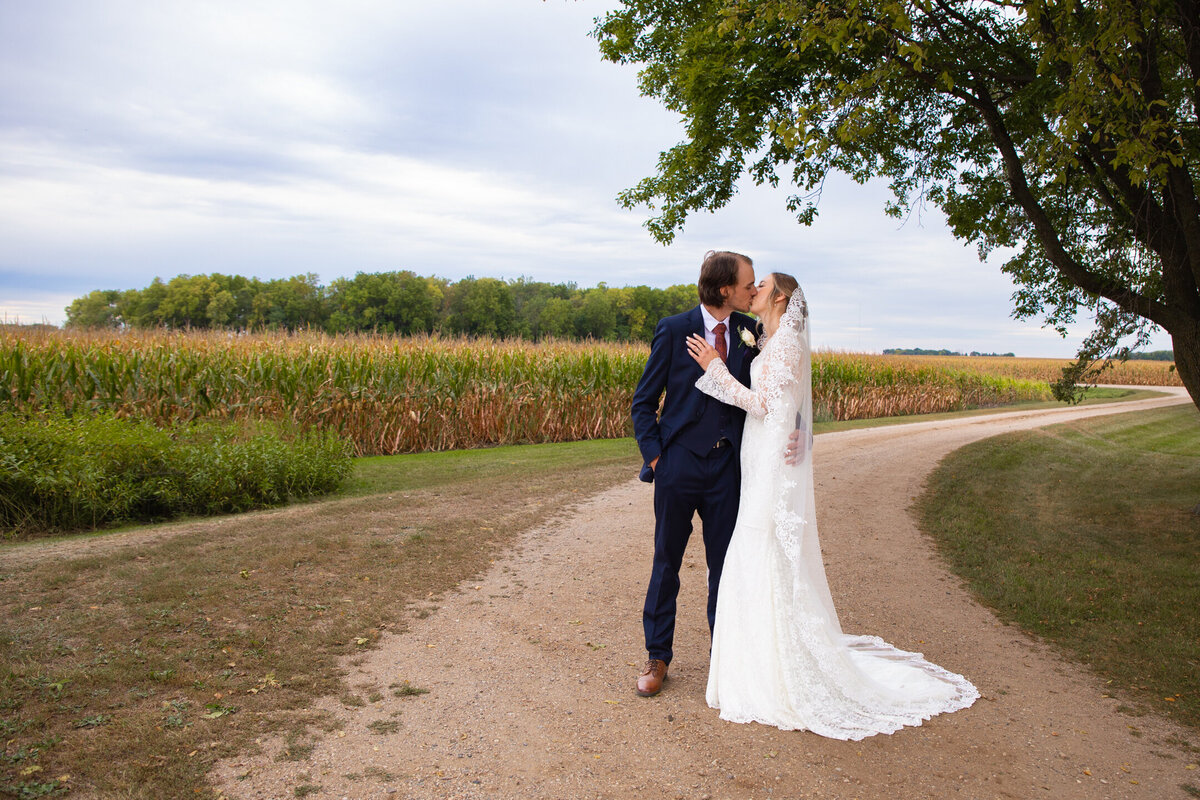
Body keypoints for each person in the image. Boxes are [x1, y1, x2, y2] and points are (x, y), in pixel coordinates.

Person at [685, 272, 979, 738]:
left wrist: (715, 369)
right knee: (754, 547)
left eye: (761, 284)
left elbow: (763, 404)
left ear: (779, 297)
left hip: (771, 459)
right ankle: (755, 654)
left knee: (762, 546)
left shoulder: (786, 345)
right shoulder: (768, 339)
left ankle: (776, 665)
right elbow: (788, 402)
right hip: (761, 453)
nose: (753, 289)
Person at [630, 250, 760, 697]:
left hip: (728, 467)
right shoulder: (672, 329)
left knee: (725, 568)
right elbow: (643, 403)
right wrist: (656, 459)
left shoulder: (751, 332)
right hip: (678, 466)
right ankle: (657, 657)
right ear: (725, 288)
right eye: (748, 282)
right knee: (666, 564)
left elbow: (772, 394)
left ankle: (723, 661)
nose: (753, 289)